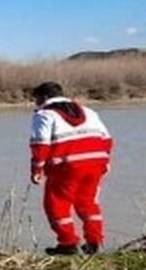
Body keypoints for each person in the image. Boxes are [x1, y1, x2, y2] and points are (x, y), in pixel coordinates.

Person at [29, 81, 114, 255]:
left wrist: (36, 170)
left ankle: (68, 243)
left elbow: (40, 145)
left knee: (56, 204)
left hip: (67, 165)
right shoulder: (89, 112)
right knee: (88, 203)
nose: (35, 104)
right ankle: (94, 243)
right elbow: (106, 139)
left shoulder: (45, 115)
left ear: (44, 97)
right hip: (96, 163)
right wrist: (105, 162)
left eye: (36, 99)